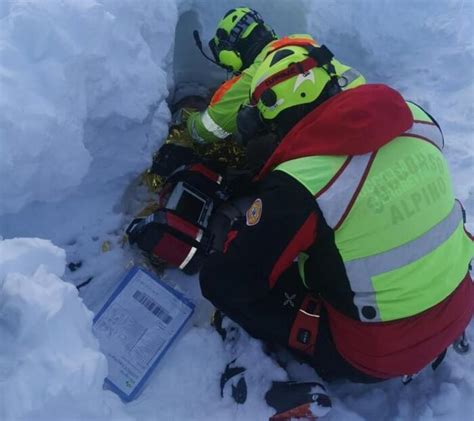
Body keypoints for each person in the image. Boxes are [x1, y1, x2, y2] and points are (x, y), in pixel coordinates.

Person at [199, 43, 474, 382]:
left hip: (377, 353)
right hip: (459, 303)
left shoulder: (303, 184)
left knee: (226, 281)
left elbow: (231, 280)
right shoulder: (418, 120)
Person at [186, 7, 365, 144]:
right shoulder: (305, 46)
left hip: (321, 148)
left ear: (230, 55)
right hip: (361, 120)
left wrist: (185, 117)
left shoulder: (254, 76)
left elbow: (205, 132)